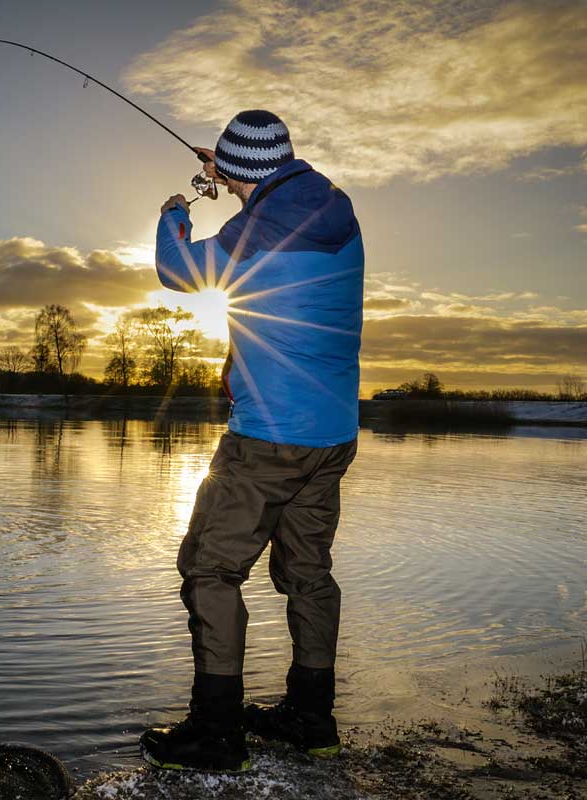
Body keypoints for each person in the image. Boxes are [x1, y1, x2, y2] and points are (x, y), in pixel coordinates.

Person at [139, 110, 364, 773]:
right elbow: (272, 205)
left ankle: (215, 733)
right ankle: (310, 718)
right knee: (309, 575)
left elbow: (178, 270)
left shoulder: (254, 228)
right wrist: (235, 178)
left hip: (267, 438)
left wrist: (174, 214)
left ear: (239, 173)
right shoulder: (333, 208)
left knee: (209, 571)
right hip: (332, 436)